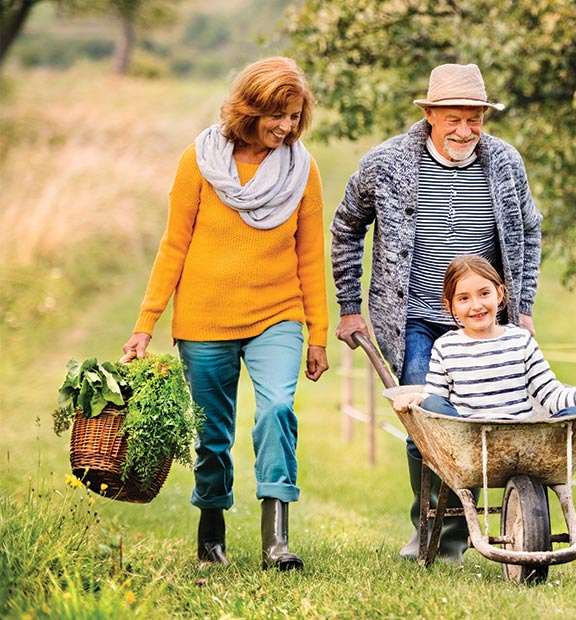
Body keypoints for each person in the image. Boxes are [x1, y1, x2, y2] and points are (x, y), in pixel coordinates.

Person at [122, 57, 329, 571]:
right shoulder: (200, 160)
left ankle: (276, 540)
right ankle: (211, 531)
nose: (286, 127)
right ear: (250, 108)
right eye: (276, 115)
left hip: (277, 314)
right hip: (205, 319)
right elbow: (174, 245)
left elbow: (309, 256)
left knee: (278, 409)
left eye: (294, 116)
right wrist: (146, 323)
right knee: (212, 434)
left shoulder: (303, 170)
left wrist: (318, 333)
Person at [331, 63, 542, 562]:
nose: (465, 131)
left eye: (475, 120)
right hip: (413, 318)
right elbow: (346, 227)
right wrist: (348, 306)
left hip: (483, 318)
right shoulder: (386, 163)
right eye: (454, 119)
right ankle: (435, 534)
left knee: (492, 417)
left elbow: (529, 231)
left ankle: (479, 523)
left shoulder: (506, 163)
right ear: (429, 115)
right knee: (425, 417)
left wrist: (524, 306)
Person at [392, 256, 576, 419]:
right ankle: (435, 486)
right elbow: (436, 399)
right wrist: (418, 399)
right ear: (449, 305)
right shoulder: (446, 347)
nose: (476, 305)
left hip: (522, 440)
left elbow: (551, 394)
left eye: (484, 293)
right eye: (463, 298)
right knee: (431, 404)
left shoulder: (520, 341)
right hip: (467, 441)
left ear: (499, 294)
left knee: (573, 416)